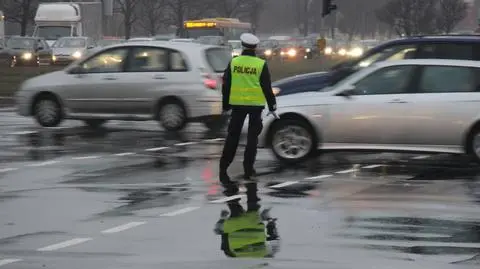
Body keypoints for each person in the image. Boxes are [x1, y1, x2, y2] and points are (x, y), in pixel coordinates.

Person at [219, 33, 278, 196]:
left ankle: (224, 166)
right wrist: (272, 105)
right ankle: (248, 169)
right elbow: (267, 86)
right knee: (252, 139)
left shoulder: (234, 62)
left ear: (243, 46)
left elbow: (226, 85)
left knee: (233, 137)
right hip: (255, 106)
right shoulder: (261, 64)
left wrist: (225, 105)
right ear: (255, 47)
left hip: (237, 105)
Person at [213, 182, 280, 258]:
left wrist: (270, 221)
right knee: (233, 202)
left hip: (254, 224)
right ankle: (228, 183)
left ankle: (251, 181)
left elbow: (274, 240)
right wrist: (223, 219)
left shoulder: (265, 257)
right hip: (235, 225)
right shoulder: (233, 257)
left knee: (252, 200)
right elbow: (224, 242)